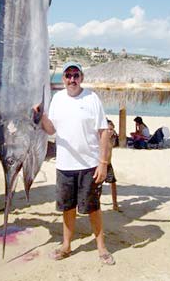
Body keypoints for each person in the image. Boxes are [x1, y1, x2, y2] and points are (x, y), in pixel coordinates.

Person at [39, 62, 115, 265]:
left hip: (90, 164)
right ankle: (66, 245)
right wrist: (40, 116)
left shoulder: (91, 98)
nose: (72, 79)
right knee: (67, 207)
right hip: (64, 165)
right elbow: (50, 129)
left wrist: (103, 163)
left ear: (81, 77)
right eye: (68, 75)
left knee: (93, 207)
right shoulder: (57, 99)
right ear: (63, 79)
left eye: (76, 75)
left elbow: (103, 131)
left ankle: (101, 247)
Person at [106, 119, 120, 211]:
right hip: (99, 164)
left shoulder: (113, 139)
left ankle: (115, 204)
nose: (110, 131)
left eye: (112, 129)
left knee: (113, 184)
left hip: (108, 164)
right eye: (109, 129)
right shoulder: (100, 139)